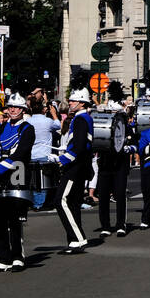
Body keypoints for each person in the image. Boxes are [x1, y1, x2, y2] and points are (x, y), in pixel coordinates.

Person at [0, 93, 35, 271]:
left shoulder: (28, 129)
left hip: (18, 173)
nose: (13, 110)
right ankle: (2, 257)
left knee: (15, 217)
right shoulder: (2, 126)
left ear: (23, 110)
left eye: (17, 107)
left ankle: (17, 256)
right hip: (1, 174)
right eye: (11, 107)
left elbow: (20, 154)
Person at [55, 89, 94, 252]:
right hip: (81, 166)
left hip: (75, 167)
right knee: (73, 203)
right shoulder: (85, 118)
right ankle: (73, 241)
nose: (70, 103)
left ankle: (78, 237)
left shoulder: (79, 120)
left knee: (60, 200)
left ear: (82, 103)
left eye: (73, 100)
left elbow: (78, 147)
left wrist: (60, 159)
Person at [91, 107, 136, 236]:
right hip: (105, 164)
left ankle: (121, 225)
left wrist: (128, 148)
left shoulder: (125, 127)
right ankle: (105, 225)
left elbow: (134, 144)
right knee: (103, 195)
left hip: (120, 165)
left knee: (120, 195)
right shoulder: (101, 126)